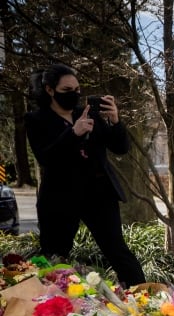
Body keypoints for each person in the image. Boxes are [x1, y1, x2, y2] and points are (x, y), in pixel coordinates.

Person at [25, 63, 146, 287]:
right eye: (67, 91)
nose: (74, 95)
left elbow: (120, 148)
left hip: (99, 194)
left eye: (77, 89)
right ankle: (51, 310)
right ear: (50, 90)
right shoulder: (36, 119)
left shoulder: (87, 113)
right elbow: (45, 158)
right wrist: (73, 133)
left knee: (118, 251)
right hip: (60, 197)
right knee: (55, 256)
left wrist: (116, 121)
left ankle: (144, 297)